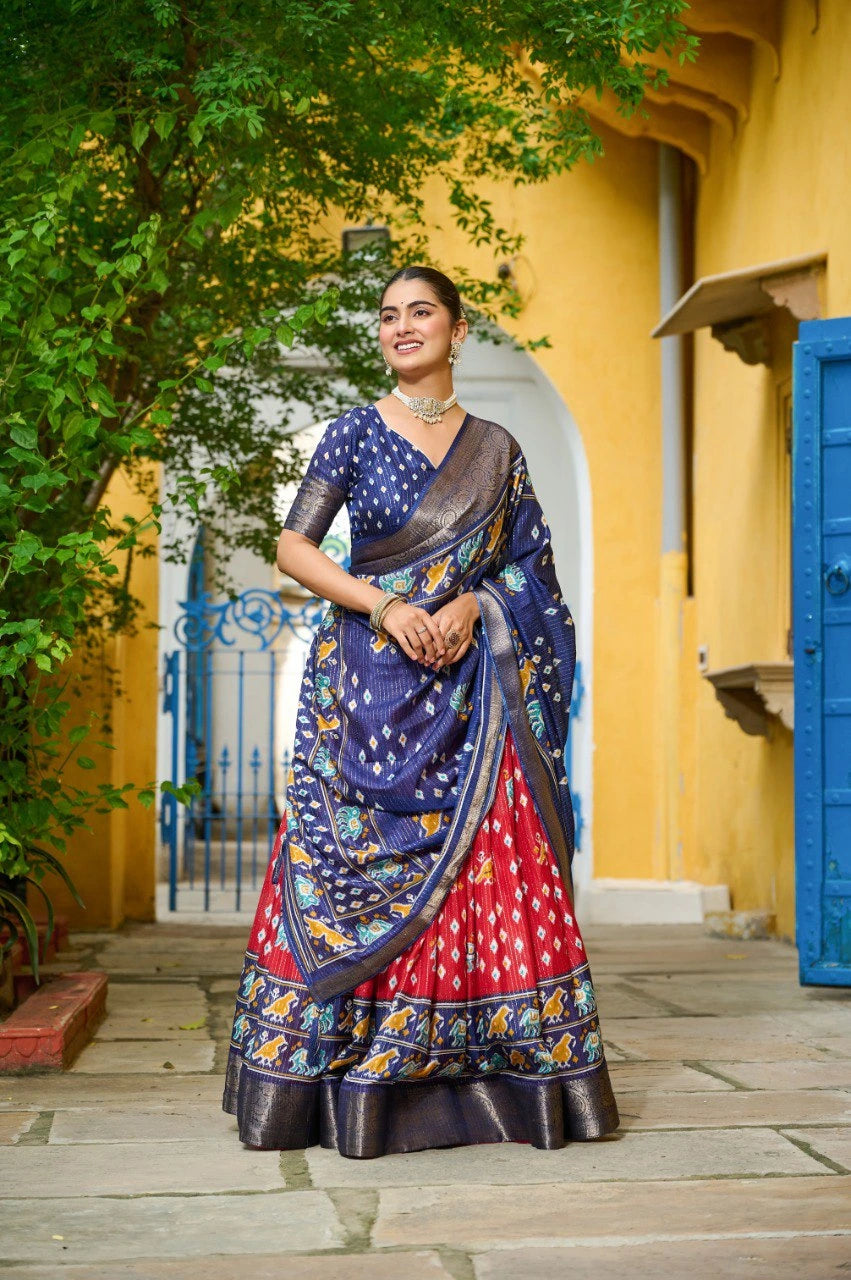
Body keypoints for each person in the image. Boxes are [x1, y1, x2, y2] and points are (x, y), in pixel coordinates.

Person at [222, 265, 619, 1158]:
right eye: (388, 316)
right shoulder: (353, 433)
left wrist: (475, 604)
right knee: (349, 862)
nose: (402, 327)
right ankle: (347, 1070)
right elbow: (293, 546)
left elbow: (531, 570)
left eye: (420, 312)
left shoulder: (498, 450)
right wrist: (385, 607)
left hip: (476, 694)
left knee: (486, 865)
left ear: (456, 328)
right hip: (368, 684)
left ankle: (492, 1073)